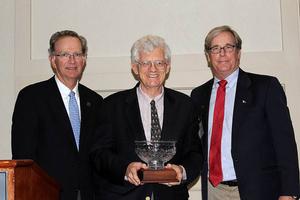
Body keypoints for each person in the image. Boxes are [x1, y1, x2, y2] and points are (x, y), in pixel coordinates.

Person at [191, 25, 300, 200]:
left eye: (229, 47)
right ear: (208, 56)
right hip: (214, 191)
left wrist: (289, 192)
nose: (222, 53)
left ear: (238, 52)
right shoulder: (198, 95)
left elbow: (285, 144)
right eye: (215, 48)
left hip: (258, 190)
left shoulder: (266, 88)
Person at [90, 35, 203, 200]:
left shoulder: (185, 106)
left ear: (168, 67)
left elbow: (195, 154)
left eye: (159, 63)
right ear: (135, 68)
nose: (153, 69)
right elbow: (99, 154)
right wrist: (125, 169)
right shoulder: (111, 106)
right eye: (145, 63)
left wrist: (182, 171)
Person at [11, 30, 103, 200]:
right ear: (53, 60)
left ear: (84, 60)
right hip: (46, 194)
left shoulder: (95, 101)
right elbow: (24, 157)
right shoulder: (31, 98)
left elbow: (99, 155)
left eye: (77, 54)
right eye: (65, 54)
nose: (72, 60)